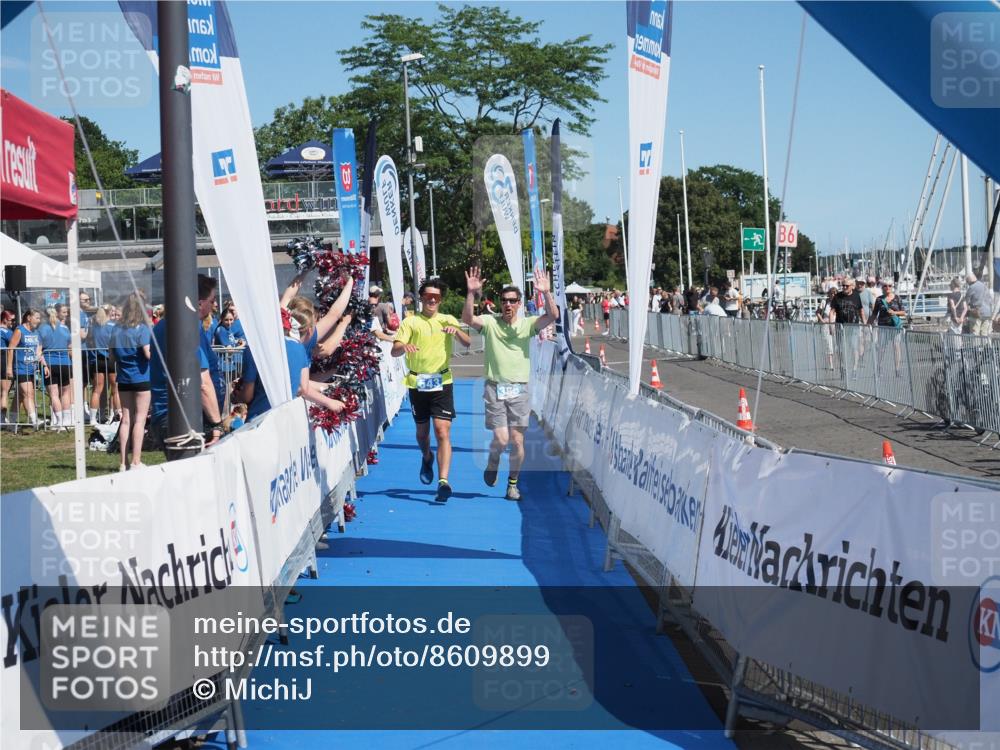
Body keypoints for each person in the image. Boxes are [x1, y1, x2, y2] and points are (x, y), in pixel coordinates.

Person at [463, 267, 558, 501]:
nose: (508, 305)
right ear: (500, 303)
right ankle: (493, 460)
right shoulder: (490, 323)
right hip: (495, 388)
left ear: (519, 304)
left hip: (519, 389)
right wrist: (471, 294)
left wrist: (546, 293)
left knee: (517, 440)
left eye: (513, 301)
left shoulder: (527, 325)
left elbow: (552, 316)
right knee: (502, 439)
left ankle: (512, 484)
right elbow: (467, 319)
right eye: (504, 301)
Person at [391, 277, 471, 503]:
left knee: (442, 431)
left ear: (441, 300)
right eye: (428, 297)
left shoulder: (448, 319)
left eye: (436, 297)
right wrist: (403, 346)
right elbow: (394, 350)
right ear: (421, 298)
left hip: (442, 382)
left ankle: (443, 481)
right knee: (422, 434)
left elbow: (467, 342)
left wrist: (456, 333)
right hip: (418, 383)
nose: (432, 300)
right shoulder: (411, 322)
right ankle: (427, 456)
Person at [149, 274, 226, 450]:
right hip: (181, 419)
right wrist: (216, 425)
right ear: (199, 303)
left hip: (184, 417)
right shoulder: (183, 328)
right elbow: (202, 383)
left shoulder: (186, 325)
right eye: (212, 300)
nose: (215, 305)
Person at [233, 308, 346, 422]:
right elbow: (303, 388)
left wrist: (237, 396)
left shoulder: (253, 349)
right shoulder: (298, 347)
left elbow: (247, 396)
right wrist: (329, 401)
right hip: (285, 418)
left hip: (259, 418)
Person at [110, 294, 152, 471]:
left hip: (124, 378)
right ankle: (136, 461)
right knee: (140, 420)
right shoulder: (142, 329)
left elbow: (112, 356)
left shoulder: (116, 329)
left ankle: (123, 462)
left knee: (126, 420)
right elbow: (148, 353)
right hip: (142, 378)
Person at [6, 309, 44, 429]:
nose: (39, 321)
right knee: (28, 393)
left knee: (20, 396)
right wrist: (9, 367)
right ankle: (34, 420)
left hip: (32, 367)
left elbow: (39, 348)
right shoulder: (19, 330)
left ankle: (12, 422)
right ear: (29, 317)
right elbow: (10, 348)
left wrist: (43, 362)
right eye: (37, 318)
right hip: (21, 367)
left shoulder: (36, 332)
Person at [39, 304, 74, 431]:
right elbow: (70, 348)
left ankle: (59, 421)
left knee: (54, 394)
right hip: (65, 363)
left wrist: (43, 365)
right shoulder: (65, 328)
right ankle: (66, 421)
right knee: (65, 393)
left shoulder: (42, 328)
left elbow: (38, 350)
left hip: (50, 363)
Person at [86, 306, 115, 424]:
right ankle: (114, 416)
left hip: (98, 359)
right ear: (109, 312)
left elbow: (89, 341)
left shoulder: (94, 327)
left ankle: (95, 417)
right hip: (111, 359)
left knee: (97, 390)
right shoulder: (113, 326)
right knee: (115, 389)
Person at [0, 310, 14, 425]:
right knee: (4, 392)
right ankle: (2, 419)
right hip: (3, 360)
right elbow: (15, 343)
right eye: (11, 320)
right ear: (4, 319)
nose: (13, 323)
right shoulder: (7, 332)